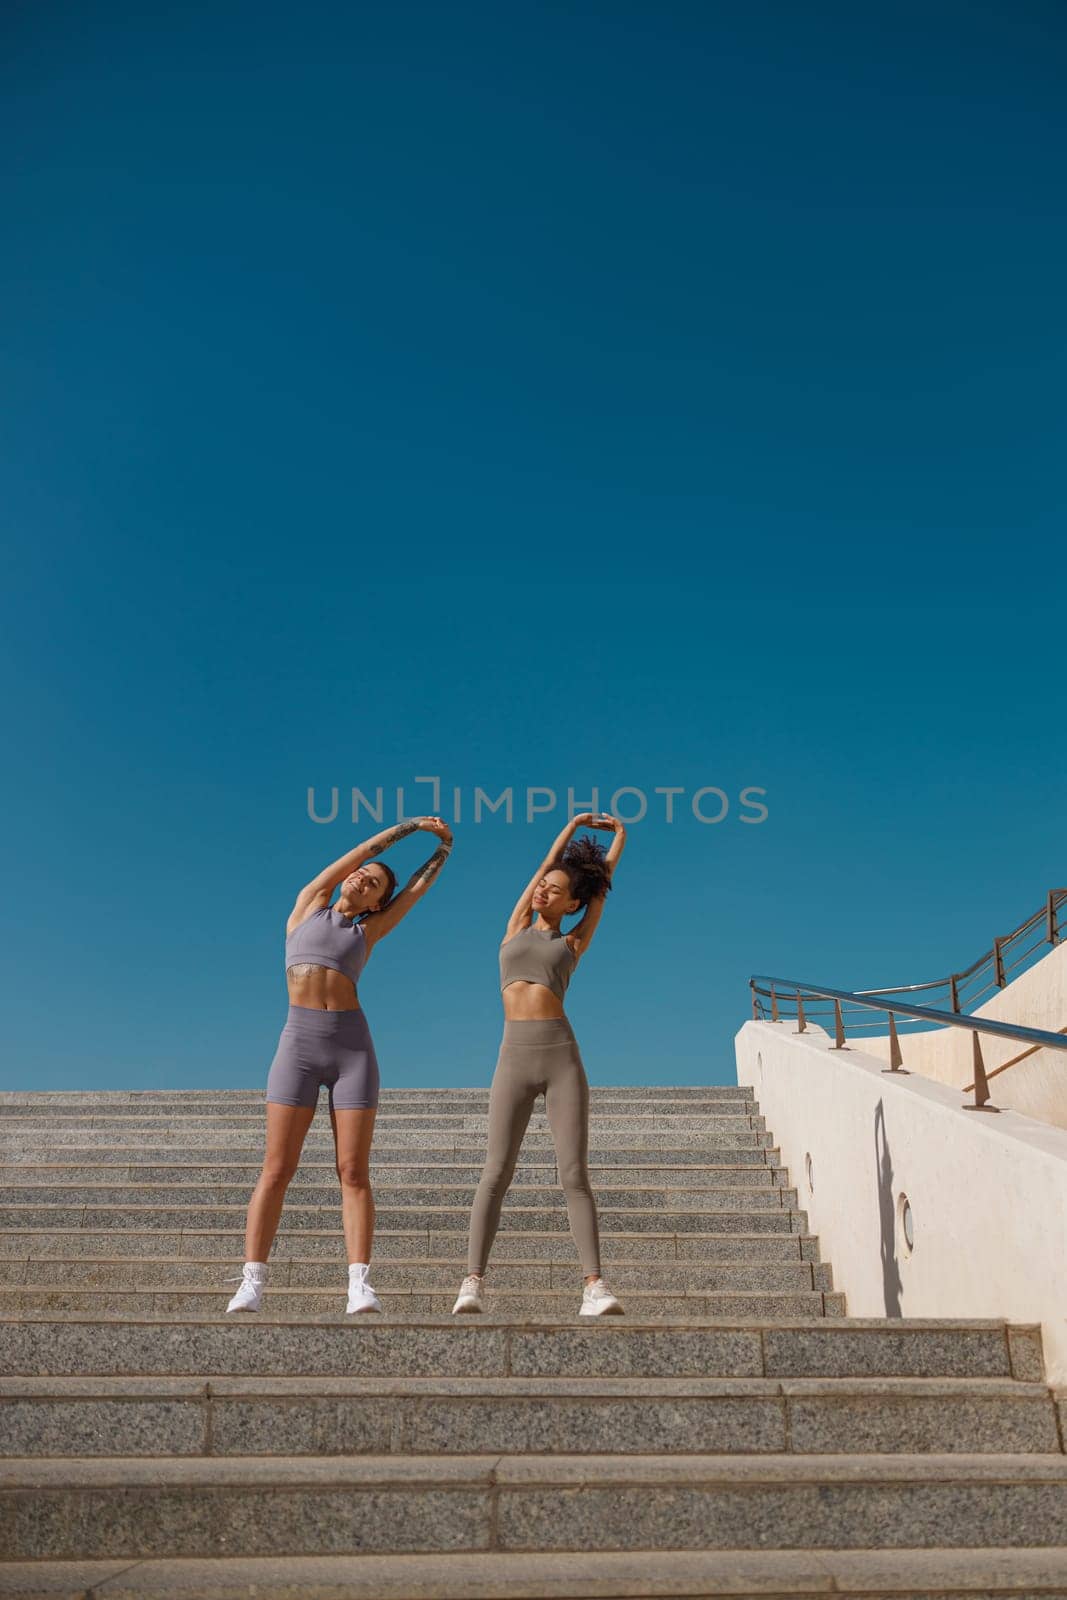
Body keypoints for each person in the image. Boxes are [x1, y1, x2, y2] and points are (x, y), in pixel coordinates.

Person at [226, 816, 453, 1315]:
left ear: (377, 903)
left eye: (373, 883)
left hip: (352, 1048)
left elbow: (412, 892)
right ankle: (252, 1282)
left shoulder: (369, 929)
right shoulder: (309, 905)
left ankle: (359, 1284)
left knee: (352, 1170)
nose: (362, 878)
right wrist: (410, 827)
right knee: (276, 1169)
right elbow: (356, 855)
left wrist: (443, 850)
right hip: (298, 1046)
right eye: (362, 873)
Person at [453, 812, 626, 1317]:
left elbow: (600, 892)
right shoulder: (514, 929)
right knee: (495, 1172)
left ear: (572, 903)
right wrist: (572, 828)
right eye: (541, 888)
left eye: (555, 891)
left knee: (574, 1173)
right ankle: (472, 1283)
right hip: (513, 1056)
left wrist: (620, 838)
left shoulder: (572, 941)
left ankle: (594, 1286)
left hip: (560, 1055)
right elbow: (545, 865)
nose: (543, 892)